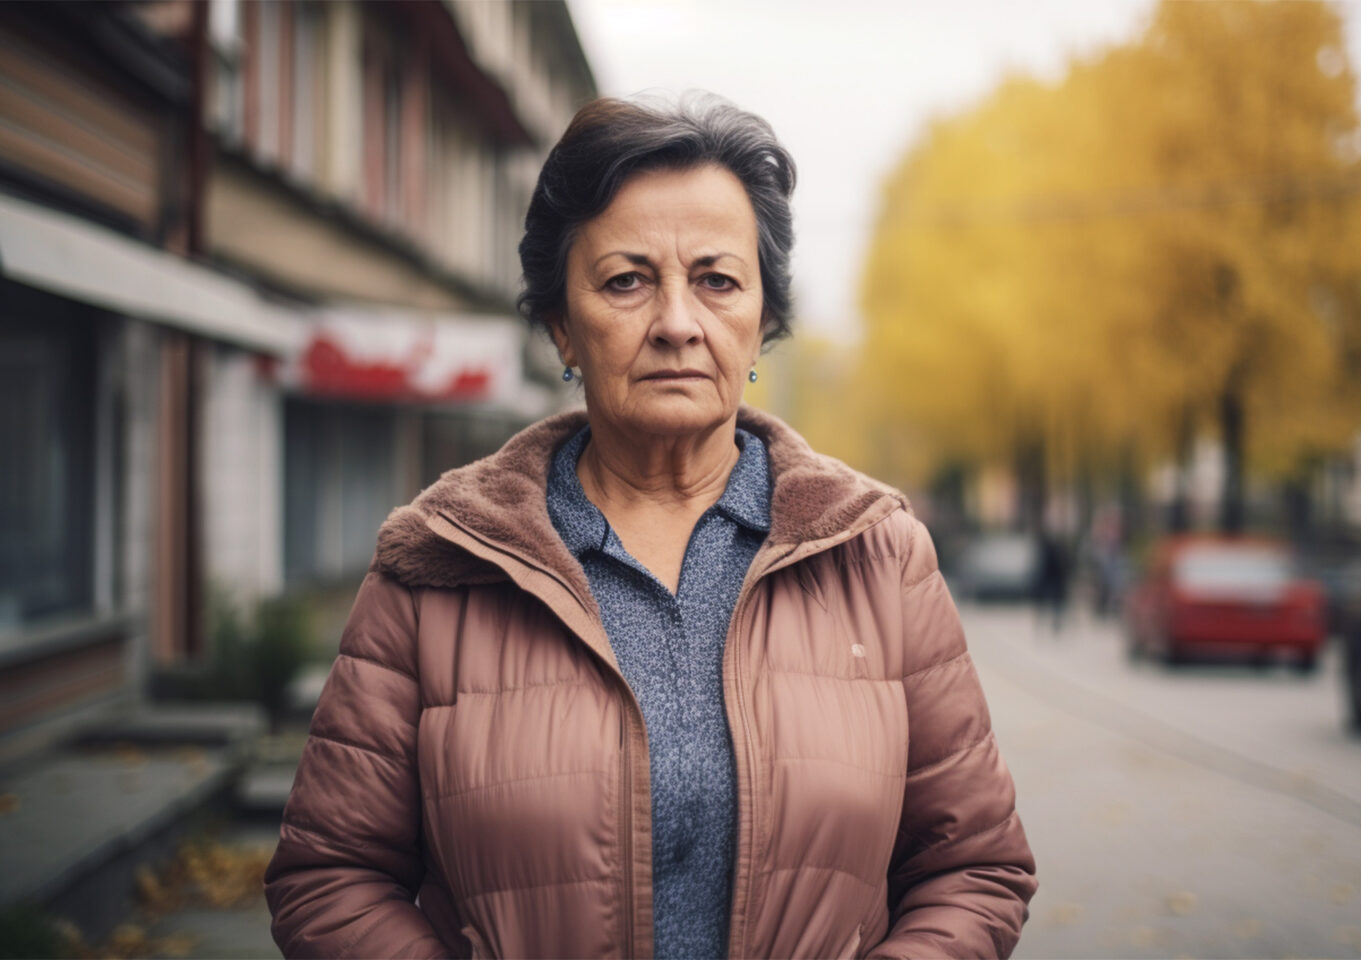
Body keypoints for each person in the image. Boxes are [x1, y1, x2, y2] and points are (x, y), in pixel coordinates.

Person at [263, 95, 1036, 960]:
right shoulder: (441, 564)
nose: (676, 322)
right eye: (627, 281)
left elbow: (974, 869)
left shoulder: (878, 556)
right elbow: (329, 878)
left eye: (717, 280)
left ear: (762, 324)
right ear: (562, 324)